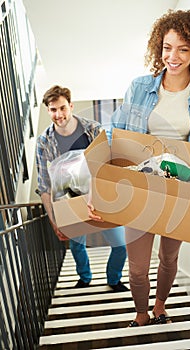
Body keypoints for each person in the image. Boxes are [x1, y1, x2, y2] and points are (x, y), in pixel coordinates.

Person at [89, 9, 190, 325]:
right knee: (138, 266)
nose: (173, 56)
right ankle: (141, 313)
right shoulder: (139, 87)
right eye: (168, 47)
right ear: (159, 47)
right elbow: (115, 140)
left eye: (183, 48)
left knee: (169, 258)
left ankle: (159, 307)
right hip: (140, 186)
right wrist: (95, 191)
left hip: (183, 191)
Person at [36, 85, 128, 292]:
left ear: (71, 106)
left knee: (121, 245)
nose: (58, 115)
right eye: (52, 110)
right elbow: (44, 185)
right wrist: (54, 221)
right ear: (48, 110)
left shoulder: (93, 129)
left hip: (100, 195)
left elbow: (107, 166)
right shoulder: (44, 141)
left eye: (62, 108)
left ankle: (114, 279)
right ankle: (84, 277)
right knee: (77, 245)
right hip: (69, 200)